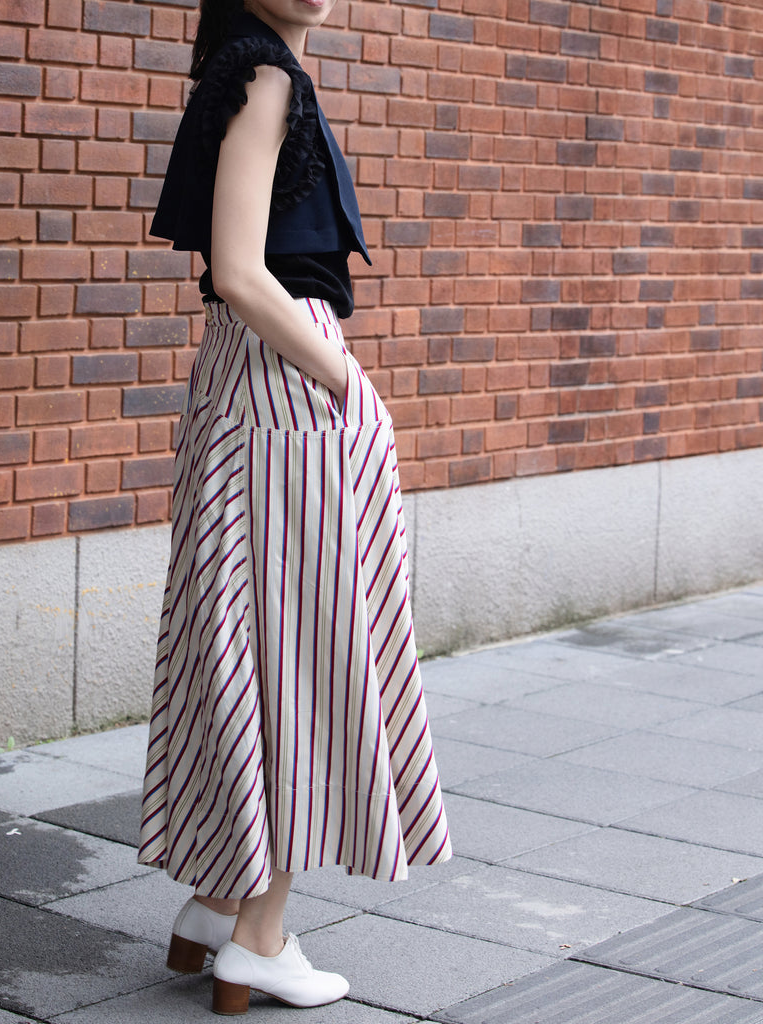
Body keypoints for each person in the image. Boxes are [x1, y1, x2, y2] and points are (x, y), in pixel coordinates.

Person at [137, 0, 452, 1013]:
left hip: (248, 381)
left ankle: (217, 900)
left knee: (248, 644)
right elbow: (239, 272)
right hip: (288, 381)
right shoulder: (265, 77)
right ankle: (260, 938)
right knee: (305, 659)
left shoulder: (243, 71)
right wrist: (346, 379)